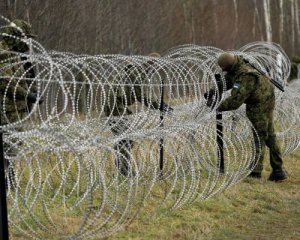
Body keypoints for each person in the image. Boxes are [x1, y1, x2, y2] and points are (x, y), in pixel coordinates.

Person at [214, 52, 287, 181]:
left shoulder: (246, 75)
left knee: (260, 136)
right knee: (269, 135)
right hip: (263, 99)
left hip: (261, 104)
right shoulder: (238, 65)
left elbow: (235, 101)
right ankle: (278, 170)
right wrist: (215, 90)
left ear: (228, 66)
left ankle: (256, 172)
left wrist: (217, 105)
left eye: (224, 68)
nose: (223, 71)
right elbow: (230, 80)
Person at [104, 53, 172, 177]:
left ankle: (122, 163)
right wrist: (159, 105)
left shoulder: (137, 71)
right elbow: (139, 96)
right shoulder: (137, 73)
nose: (155, 70)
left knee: (126, 139)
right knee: (125, 138)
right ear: (151, 64)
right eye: (155, 67)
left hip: (117, 105)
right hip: (115, 106)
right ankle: (126, 171)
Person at [0, 19, 41, 188]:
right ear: (17, 36)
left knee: (13, 146)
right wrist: (27, 95)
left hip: (17, 110)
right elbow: (5, 81)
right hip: (6, 110)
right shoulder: (3, 52)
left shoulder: (18, 54)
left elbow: (26, 78)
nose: (27, 42)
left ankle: (10, 179)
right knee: (8, 146)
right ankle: (8, 182)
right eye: (25, 38)